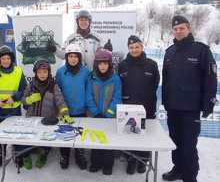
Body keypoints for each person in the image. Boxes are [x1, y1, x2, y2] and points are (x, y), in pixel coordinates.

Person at [162, 15, 217, 182]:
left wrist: (209, 102)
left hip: (191, 109)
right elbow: (166, 79)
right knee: (175, 142)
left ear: (189, 29)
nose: (178, 31)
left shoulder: (201, 50)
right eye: (176, 29)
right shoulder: (169, 52)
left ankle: (190, 176)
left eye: (182, 28)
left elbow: (211, 78)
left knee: (188, 145)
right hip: (173, 107)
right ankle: (177, 169)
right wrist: (165, 101)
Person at [118, 35, 160, 175]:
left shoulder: (152, 64)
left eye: (137, 47)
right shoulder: (122, 65)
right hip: (128, 107)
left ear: (142, 47)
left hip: (147, 107)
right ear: (128, 49)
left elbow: (155, 86)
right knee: (130, 134)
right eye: (131, 47)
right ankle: (131, 160)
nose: (134, 50)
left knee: (144, 136)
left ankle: (143, 161)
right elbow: (120, 86)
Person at [22, 59, 72, 169]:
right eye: (39, 72)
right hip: (32, 120)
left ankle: (43, 155)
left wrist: (65, 114)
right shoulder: (30, 86)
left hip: (47, 121)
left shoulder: (54, 86)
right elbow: (23, 101)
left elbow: (60, 101)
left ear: (49, 72)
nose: (42, 74)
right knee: (26, 140)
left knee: (45, 142)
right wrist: (29, 99)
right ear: (35, 73)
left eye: (45, 72)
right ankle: (25, 156)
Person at [0, 45, 27, 169]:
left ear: (12, 59)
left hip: (14, 108)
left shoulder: (18, 71)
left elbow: (23, 89)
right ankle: (1, 151)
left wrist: (13, 98)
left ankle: (17, 152)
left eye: (8, 58)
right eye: (3, 58)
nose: (5, 61)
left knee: (16, 131)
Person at [86, 49, 121, 175]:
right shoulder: (91, 77)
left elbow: (117, 98)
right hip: (95, 116)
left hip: (109, 117)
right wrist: (96, 112)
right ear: (96, 64)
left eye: (105, 63)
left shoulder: (115, 79)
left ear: (109, 64)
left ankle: (108, 164)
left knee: (108, 140)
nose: (103, 66)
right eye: (100, 63)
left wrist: (109, 113)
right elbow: (88, 96)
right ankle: (95, 163)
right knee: (95, 139)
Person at [56, 43, 90, 170]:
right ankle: (64, 155)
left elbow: (88, 90)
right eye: (70, 56)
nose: (73, 58)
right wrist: (59, 109)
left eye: (76, 56)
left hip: (81, 110)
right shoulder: (60, 72)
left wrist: (87, 108)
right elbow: (57, 91)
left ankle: (79, 155)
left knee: (80, 134)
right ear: (66, 57)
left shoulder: (85, 72)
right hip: (66, 110)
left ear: (80, 58)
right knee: (65, 133)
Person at [47, 9, 112, 70]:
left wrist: (107, 50)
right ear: (77, 22)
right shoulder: (71, 38)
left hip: (93, 75)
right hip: (77, 75)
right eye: (81, 20)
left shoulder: (97, 38)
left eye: (86, 20)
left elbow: (102, 55)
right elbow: (64, 55)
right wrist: (55, 50)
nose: (83, 22)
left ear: (89, 22)